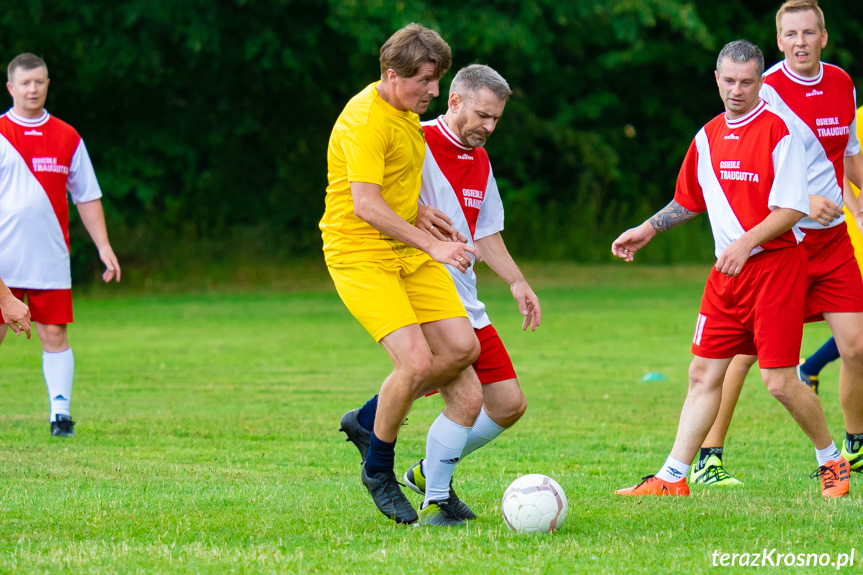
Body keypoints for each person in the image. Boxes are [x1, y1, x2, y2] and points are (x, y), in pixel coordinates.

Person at [611, 39, 849, 498]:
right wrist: (648, 228)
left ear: (761, 81)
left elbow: (792, 207)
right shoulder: (706, 136)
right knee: (702, 373)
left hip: (776, 269)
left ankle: (831, 459)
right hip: (728, 276)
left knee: (779, 380)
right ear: (716, 79)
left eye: (747, 82)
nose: (737, 90)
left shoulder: (780, 132)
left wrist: (745, 242)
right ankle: (673, 478)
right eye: (729, 81)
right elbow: (688, 199)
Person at [341, 64, 540, 526]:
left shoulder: (481, 160)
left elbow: (486, 234)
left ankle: (383, 429)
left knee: (509, 404)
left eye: (496, 119)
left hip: (467, 299)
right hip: (424, 290)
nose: (489, 127)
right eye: (482, 116)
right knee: (466, 399)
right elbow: (372, 201)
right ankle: (436, 499)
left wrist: (516, 280)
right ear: (454, 101)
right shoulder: (417, 140)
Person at [690, 0, 863, 488]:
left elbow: (847, 154)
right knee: (745, 354)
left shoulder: (842, 83)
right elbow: (747, 155)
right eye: (790, 34)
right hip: (783, 245)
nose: (800, 42)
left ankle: (855, 446)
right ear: (779, 39)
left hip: (831, 247)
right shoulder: (761, 89)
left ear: (824, 37)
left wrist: (859, 200)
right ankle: (710, 456)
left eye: (809, 32)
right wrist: (803, 198)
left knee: (857, 346)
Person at [322, 25, 483, 526]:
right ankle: (379, 470)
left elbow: (385, 182)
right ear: (394, 76)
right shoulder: (364, 121)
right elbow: (366, 205)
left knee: (461, 349)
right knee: (414, 363)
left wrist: (417, 212)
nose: (436, 92)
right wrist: (434, 243)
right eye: (428, 81)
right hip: (360, 253)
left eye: (438, 80)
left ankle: (369, 419)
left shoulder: (405, 111)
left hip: (403, 248)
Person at [0, 53, 121, 437]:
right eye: (25, 83)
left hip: (50, 256)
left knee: (54, 332)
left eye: (39, 81)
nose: (33, 89)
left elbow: (87, 196)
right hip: (4, 258)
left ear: (48, 84)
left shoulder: (67, 136)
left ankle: (60, 416)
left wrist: (103, 246)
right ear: (11, 88)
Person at [796, 105, 863, 398]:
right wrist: (857, 212)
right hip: (850, 227)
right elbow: (842, 168)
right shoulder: (858, 117)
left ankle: (811, 366)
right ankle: (809, 366)